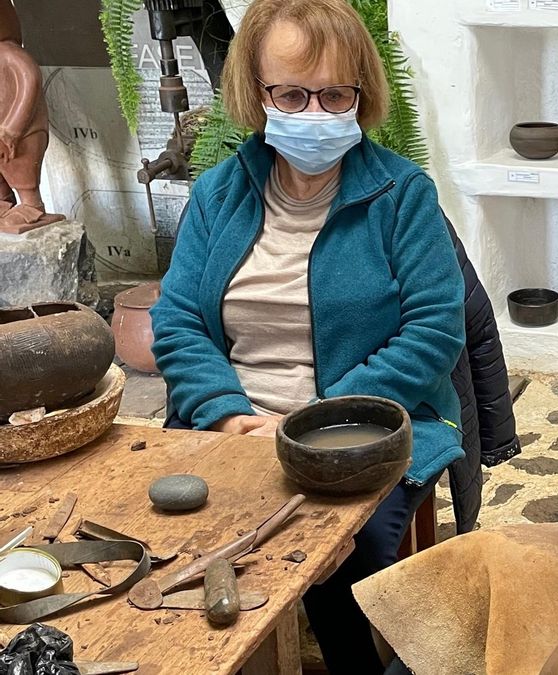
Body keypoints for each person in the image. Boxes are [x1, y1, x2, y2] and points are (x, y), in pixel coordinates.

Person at [149, 1, 466, 672]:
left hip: (361, 436)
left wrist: (315, 425)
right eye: (291, 93)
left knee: (342, 552)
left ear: (362, 94)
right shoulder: (217, 196)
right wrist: (233, 416)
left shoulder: (402, 196)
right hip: (227, 428)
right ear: (256, 96)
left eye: (334, 94)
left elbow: (434, 329)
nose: (315, 112)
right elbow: (176, 322)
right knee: (167, 544)